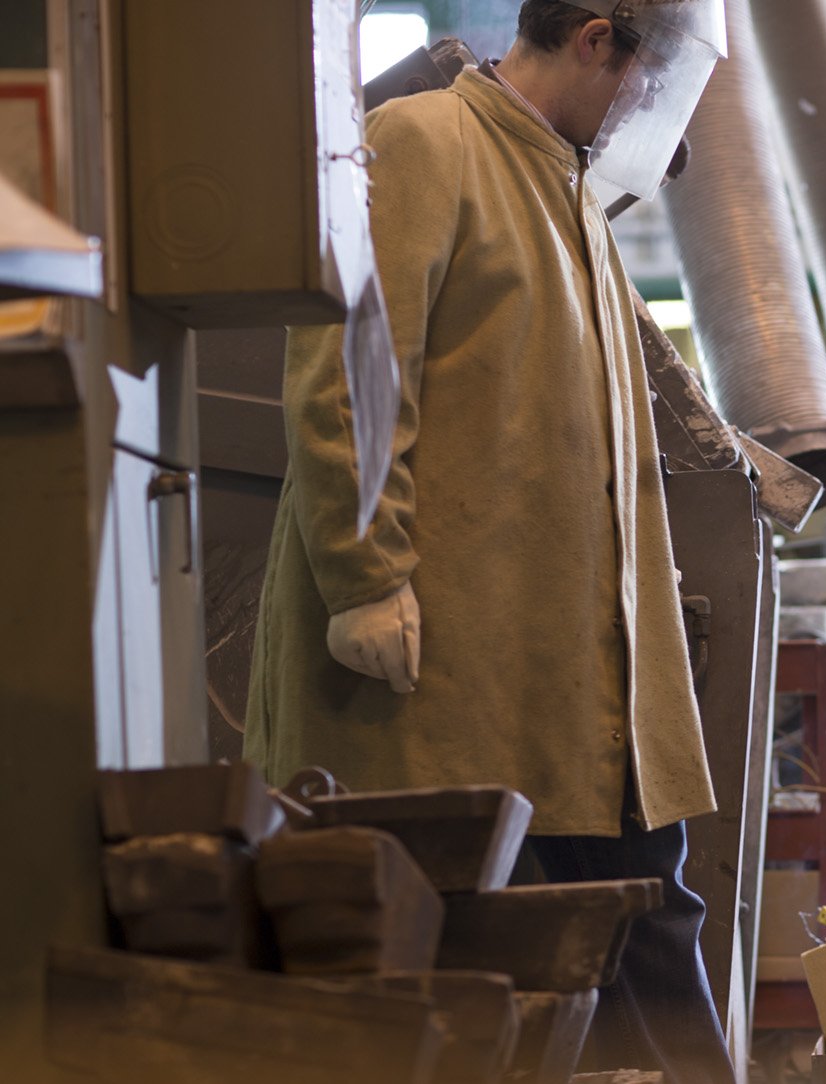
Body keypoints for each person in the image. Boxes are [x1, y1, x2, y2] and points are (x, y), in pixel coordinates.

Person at [244, 2, 732, 1079]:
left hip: (582, 683)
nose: (649, 115)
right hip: (461, 673)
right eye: (650, 82)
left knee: (648, 930)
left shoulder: (569, 193)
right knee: (480, 968)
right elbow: (349, 376)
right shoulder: (424, 143)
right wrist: (364, 572)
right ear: (597, 39)